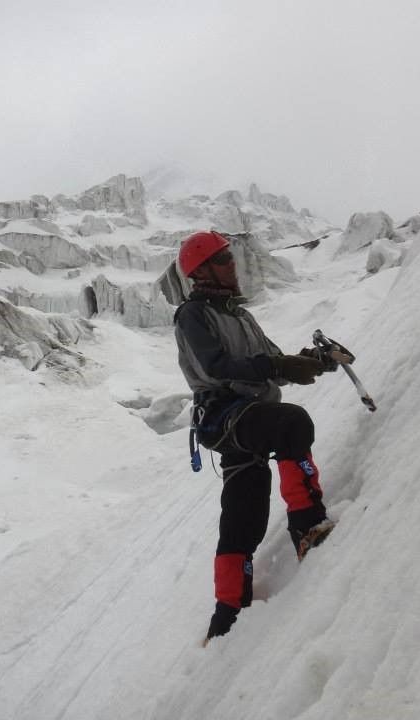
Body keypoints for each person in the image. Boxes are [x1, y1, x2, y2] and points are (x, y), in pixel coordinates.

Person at [173, 230, 336, 643]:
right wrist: (278, 364)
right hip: (225, 414)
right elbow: (215, 366)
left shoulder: (241, 316)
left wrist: (310, 362)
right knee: (291, 423)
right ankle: (307, 525)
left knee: (244, 511)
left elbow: (272, 363)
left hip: (245, 415)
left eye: (230, 256)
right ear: (202, 270)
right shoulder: (193, 315)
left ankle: (227, 613)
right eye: (223, 258)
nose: (232, 263)